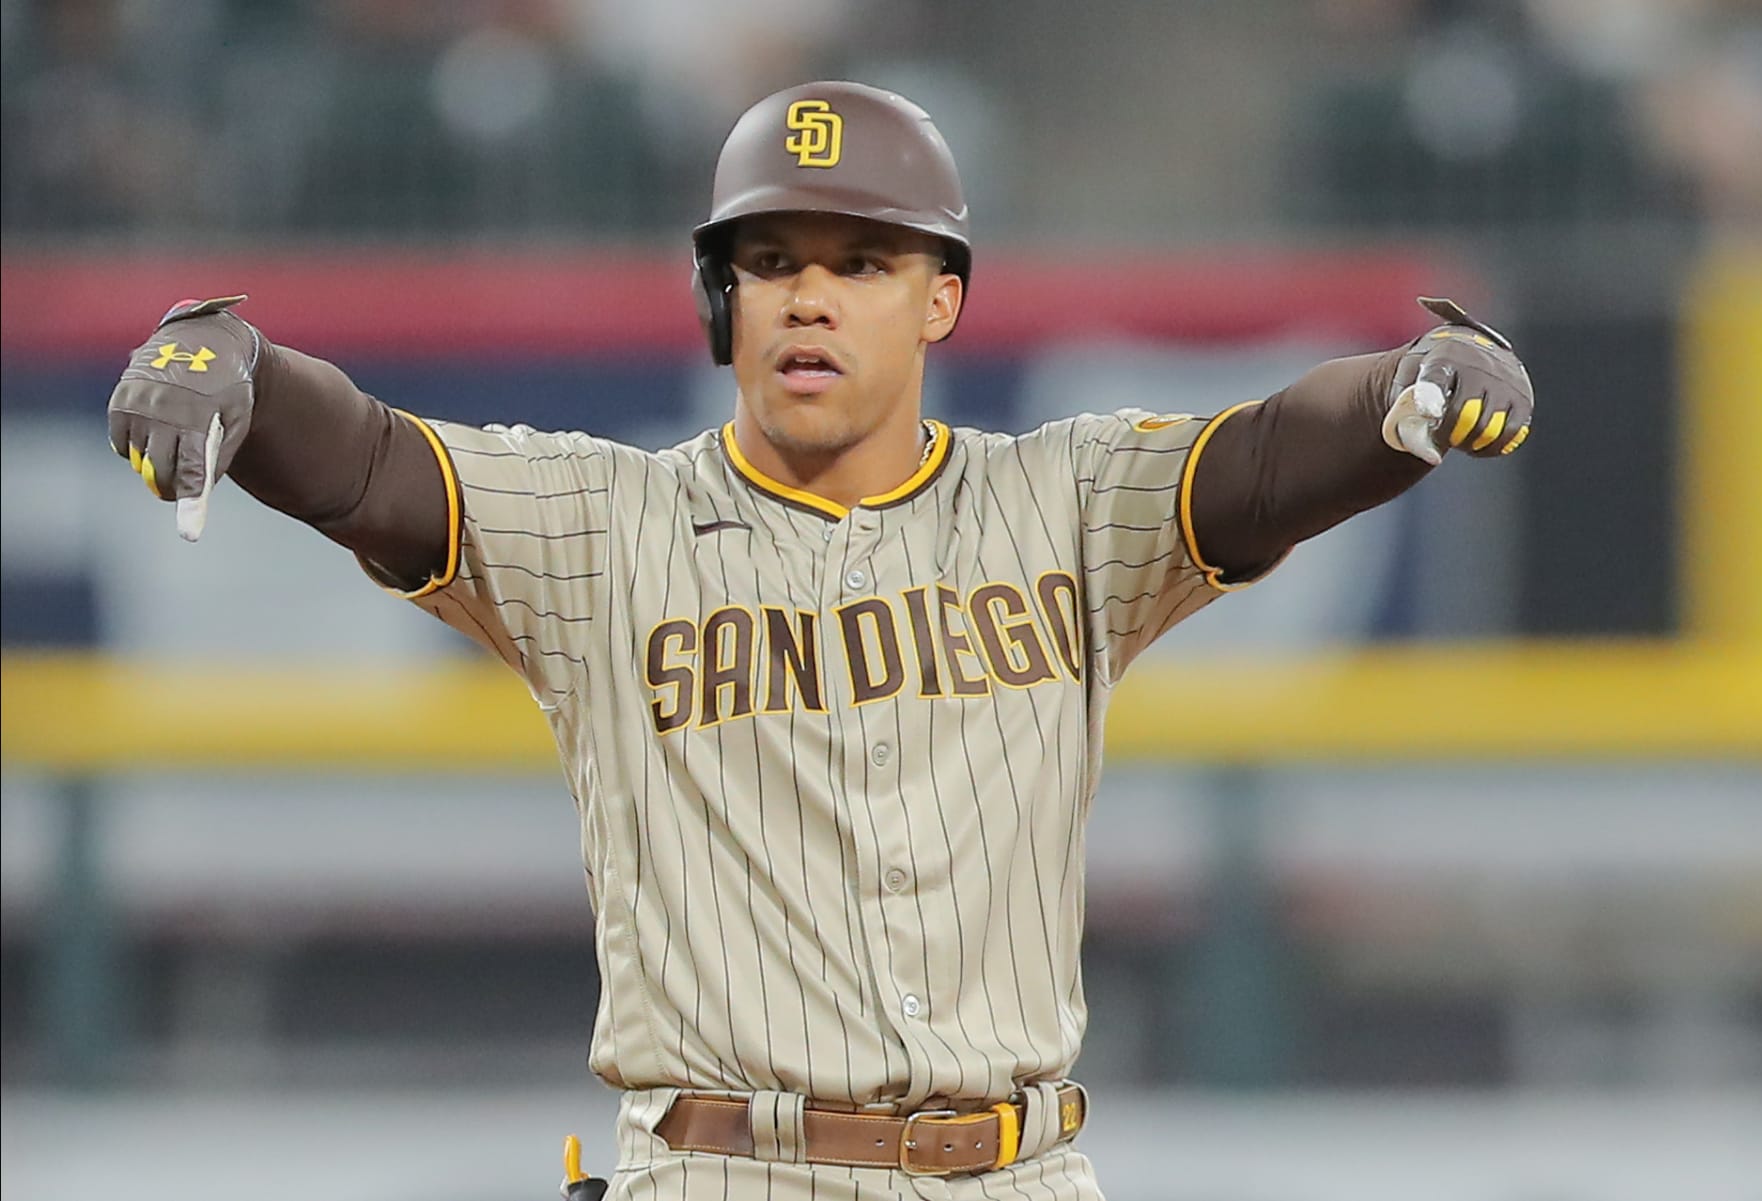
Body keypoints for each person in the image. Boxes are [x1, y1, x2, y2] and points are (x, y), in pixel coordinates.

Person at [105, 80, 1534, 1200]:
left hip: (1021, 1167)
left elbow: (1269, 457)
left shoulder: (1064, 502)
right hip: (726, 1165)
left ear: (941, 299)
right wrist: (233, 360)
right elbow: (376, 468)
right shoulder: (610, 527)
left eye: (862, 260)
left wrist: (1406, 389)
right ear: (721, 297)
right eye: (770, 257)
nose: (809, 294)